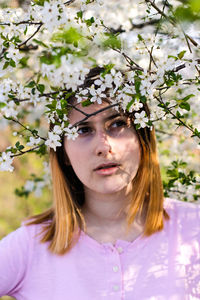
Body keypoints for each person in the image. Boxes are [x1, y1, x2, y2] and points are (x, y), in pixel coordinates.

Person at [0, 68, 199, 300]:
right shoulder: (31, 246)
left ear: (142, 138)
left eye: (116, 124)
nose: (103, 147)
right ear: (63, 151)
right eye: (84, 130)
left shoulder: (192, 229)